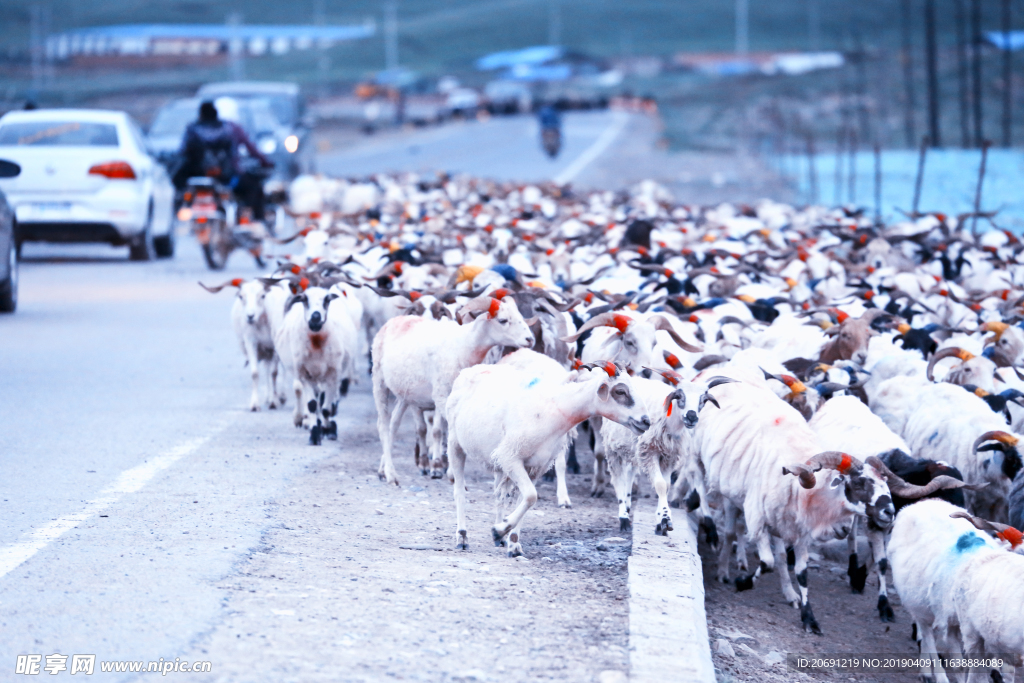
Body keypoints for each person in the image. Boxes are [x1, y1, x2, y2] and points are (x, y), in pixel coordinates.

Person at [173, 100, 274, 221]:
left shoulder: (192, 129)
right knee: (254, 187)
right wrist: (265, 162)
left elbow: (182, 152)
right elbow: (252, 150)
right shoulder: (231, 129)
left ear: (200, 114)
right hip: (227, 178)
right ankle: (256, 221)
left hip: (197, 176)